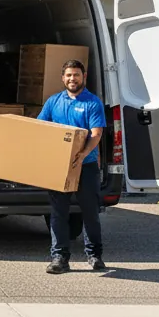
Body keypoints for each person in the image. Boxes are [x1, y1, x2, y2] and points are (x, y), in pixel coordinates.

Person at [37, 59, 107, 274]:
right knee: (58, 213)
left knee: (90, 212)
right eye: (68, 75)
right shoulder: (54, 102)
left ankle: (94, 255)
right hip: (60, 166)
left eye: (76, 74)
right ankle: (59, 257)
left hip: (86, 166)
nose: (72, 79)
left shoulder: (92, 103)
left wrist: (83, 154)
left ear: (83, 77)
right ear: (62, 78)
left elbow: (96, 134)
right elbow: (40, 127)